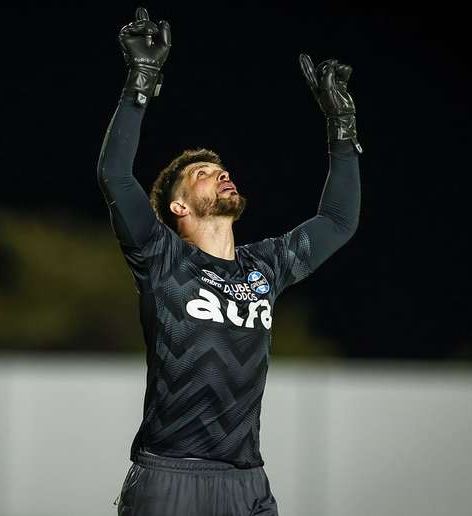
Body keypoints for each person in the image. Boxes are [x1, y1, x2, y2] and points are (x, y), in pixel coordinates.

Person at [97, 7, 362, 516]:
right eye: (201, 172)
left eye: (221, 170)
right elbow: (115, 174)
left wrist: (342, 126)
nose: (219, 175)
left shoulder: (265, 267)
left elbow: (338, 220)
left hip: (247, 481)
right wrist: (141, 79)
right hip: (170, 475)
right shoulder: (159, 255)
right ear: (177, 206)